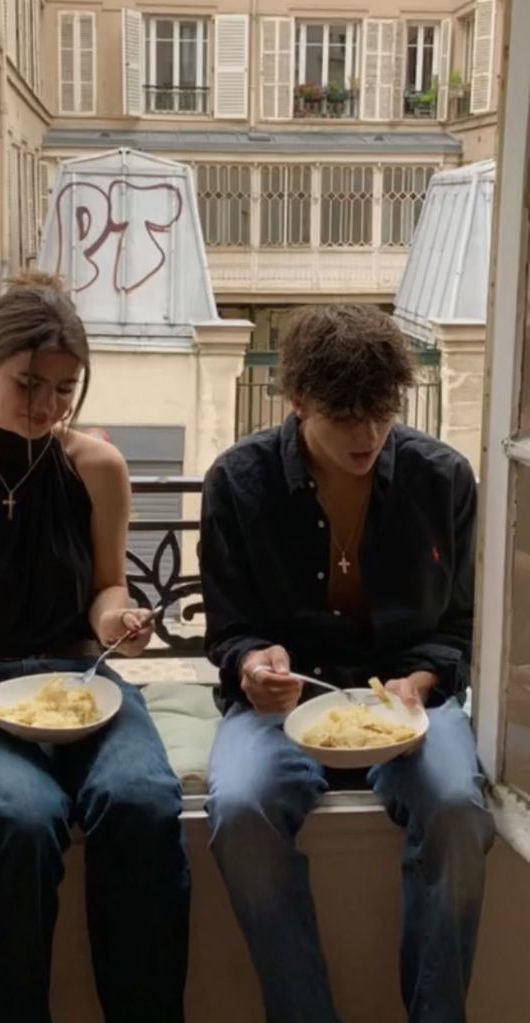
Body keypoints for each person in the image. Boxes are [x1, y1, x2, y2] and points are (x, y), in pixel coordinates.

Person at [0, 272, 190, 1023]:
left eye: (65, 389)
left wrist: (117, 623)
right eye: (29, 382)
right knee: (23, 816)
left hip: (79, 684)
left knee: (142, 800)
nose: (48, 405)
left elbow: (103, 589)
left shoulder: (98, 468)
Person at [200, 303, 494, 1023]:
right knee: (240, 809)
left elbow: (461, 623)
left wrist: (419, 681)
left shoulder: (443, 479)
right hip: (281, 703)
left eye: (381, 410)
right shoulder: (238, 482)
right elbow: (230, 628)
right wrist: (252, 664)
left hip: (410, 702)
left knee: (458, 808)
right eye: (344, 413)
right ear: (298, 402)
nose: (367, 433)